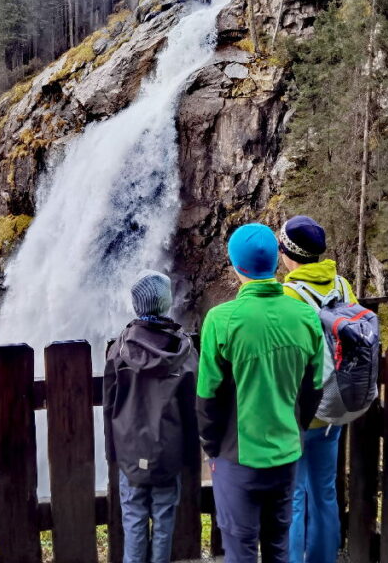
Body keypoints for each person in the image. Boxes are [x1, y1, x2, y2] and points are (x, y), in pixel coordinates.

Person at [197, 223, 325, 563]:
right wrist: (295, 429)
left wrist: (213, 448)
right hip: (286, 452)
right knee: (278, 545)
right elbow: (314, 387)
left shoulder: (221, 320)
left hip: (236, 457)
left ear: (237, 266)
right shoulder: (304, 316)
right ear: (274, 260)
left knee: (239, 548)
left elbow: (207, 397)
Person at [103, 270, 199, 563]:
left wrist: (112, 452)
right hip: (168, 450)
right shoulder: (184, 350)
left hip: (131, 450)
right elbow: (192, 406)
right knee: (165, 516)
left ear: (136, 305)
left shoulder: (119, 349)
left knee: (132, 516)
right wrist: (192, 457)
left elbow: (109, 405)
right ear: (167, 302)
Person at [278, 215, 356, 563]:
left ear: (287, 254)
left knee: (293, 496)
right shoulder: (343, 286)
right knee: (324, 492)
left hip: (298, 410)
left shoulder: (288, 295)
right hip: (336, 407)